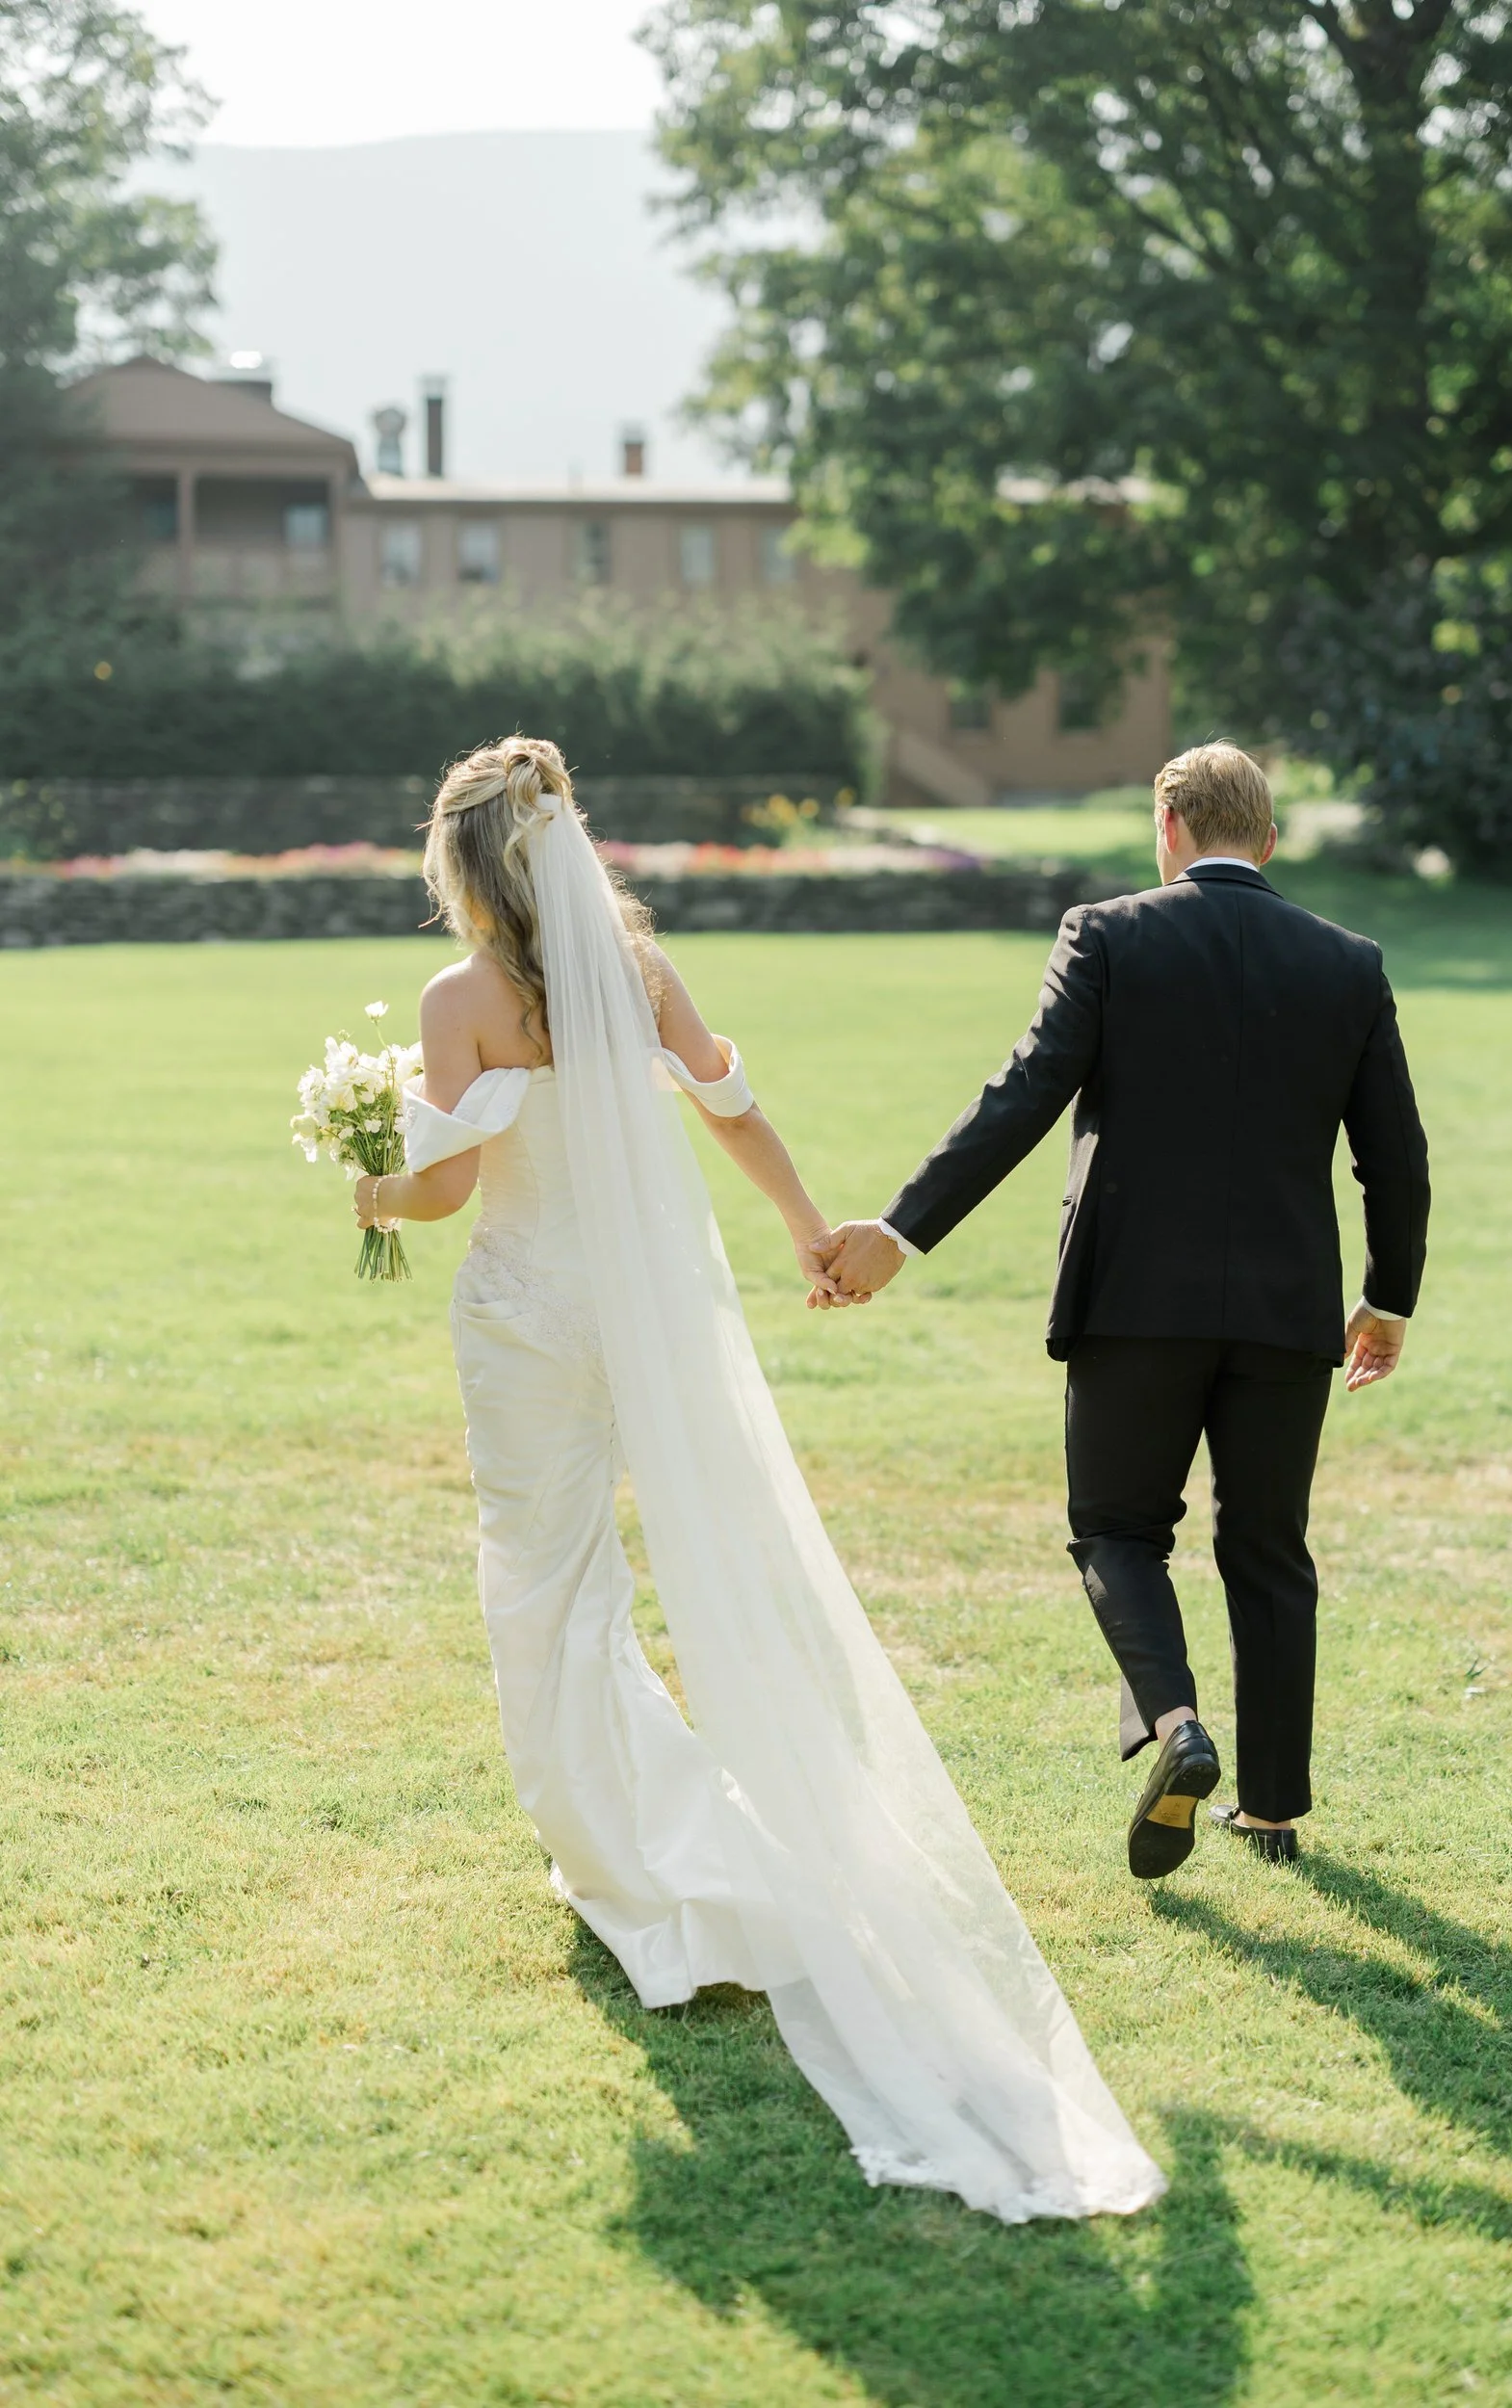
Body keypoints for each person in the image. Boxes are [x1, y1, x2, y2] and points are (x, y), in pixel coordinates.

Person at [352, 734, 1164, 2225]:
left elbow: (453, 1183)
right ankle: (675, 1846)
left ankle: (616, 1856)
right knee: (698, 1574)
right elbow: (725, 1105)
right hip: (649, 1316)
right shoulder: (637, 975)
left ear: (462, 866)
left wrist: (366, 1181)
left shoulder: (459, 997)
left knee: (545, 1578)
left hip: (528, 1324)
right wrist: (805, 1224)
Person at [826, 743, 1430, 1877]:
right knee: (1266, 1545)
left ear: (1167, 824)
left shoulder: (1105, 934)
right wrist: (1385, 1298)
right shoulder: (1348, 962)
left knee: (1114, 1528)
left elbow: (1023, 1090)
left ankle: (1172, 1725)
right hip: (1284, 1308)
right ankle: (1273, 1808)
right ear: (1265, 837)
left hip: (1129, 1301)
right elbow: (1393, 1161)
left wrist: (899, 1233)